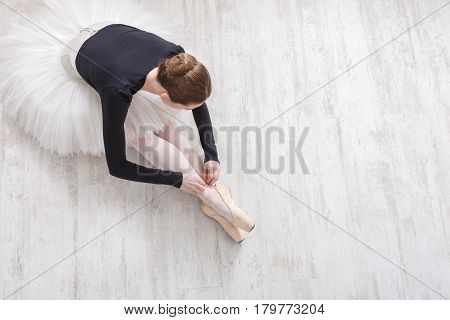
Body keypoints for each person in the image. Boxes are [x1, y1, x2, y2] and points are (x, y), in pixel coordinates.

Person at [0, 0, 254, 242]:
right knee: (144, 137)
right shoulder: (117, 91)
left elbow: (197, 102)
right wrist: (177, 179)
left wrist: (211, 155)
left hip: (111, 33)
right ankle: (215, 200)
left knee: (169, 128)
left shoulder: (178, 60)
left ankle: (218, 200)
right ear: (165, 95)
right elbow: (118, 166)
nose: (191, 109)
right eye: (183, 106)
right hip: (77, 52)